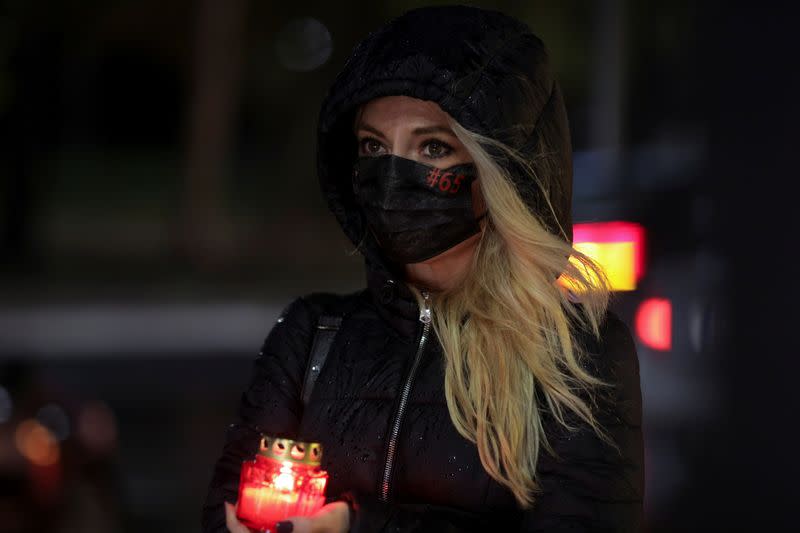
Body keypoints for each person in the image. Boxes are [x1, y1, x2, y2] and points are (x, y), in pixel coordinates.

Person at [202, 5, 644, 533]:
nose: (393, 175)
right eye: (373, 147)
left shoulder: (577, 359)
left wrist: (359, 527)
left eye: (432, 147)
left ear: (500, 173)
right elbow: (225, 510)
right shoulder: (312, 336)